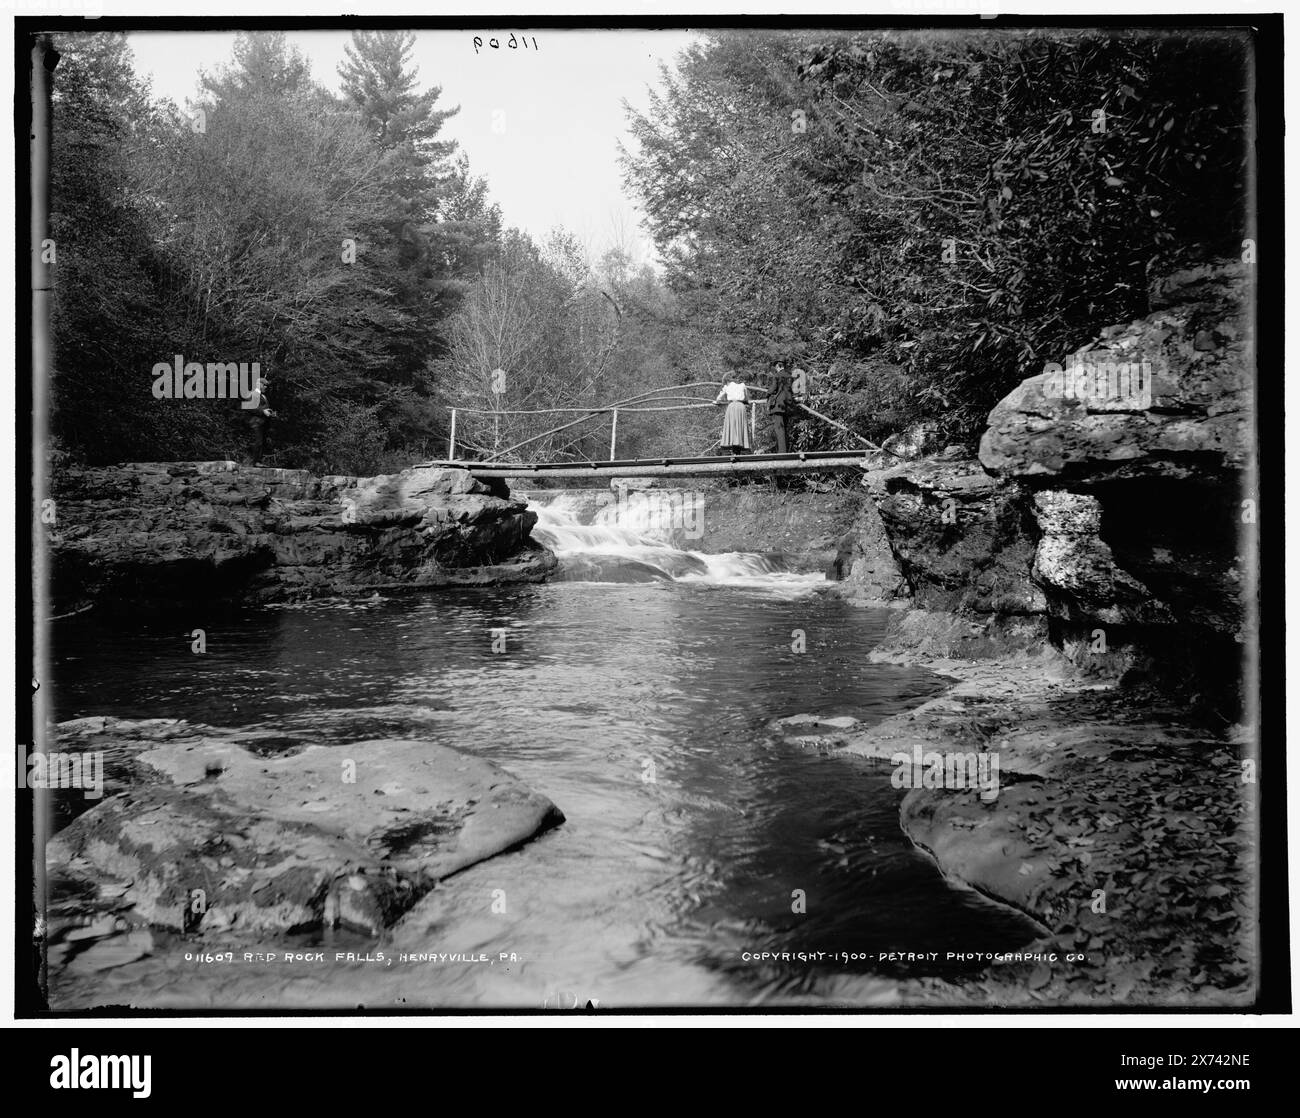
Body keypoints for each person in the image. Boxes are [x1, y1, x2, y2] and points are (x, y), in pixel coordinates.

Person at [713, 373, 753, 454]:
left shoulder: (727, 386)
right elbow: (746, 398)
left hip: (731, 407)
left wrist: (717, 402)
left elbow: (719, 398)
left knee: (732, 427)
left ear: (727, 381)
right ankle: (739, 447)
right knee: (740, 426)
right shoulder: (742, 385)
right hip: (741, 407)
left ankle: (734, 448)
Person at [247, 375, 276, 466]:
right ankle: (255, 462)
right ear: (259, 385)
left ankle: (258, 461)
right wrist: (263, 411)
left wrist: (271, 413)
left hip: (264, 423)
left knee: (262, 442)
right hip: (255, 422)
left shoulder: (263, 396)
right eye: (264, 385)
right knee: (258, 442)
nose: (266, 387)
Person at [768, 362, 796, 454]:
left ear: (779, 366)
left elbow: (772, 389)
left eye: (776, 367)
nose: (776, 369)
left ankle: (782, 452)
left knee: (779, 429)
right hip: (788, 405)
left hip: (779, 405)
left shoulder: (777, 375)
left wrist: (767, 393)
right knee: (785, 428)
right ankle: (786, 450)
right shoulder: (790, 376)